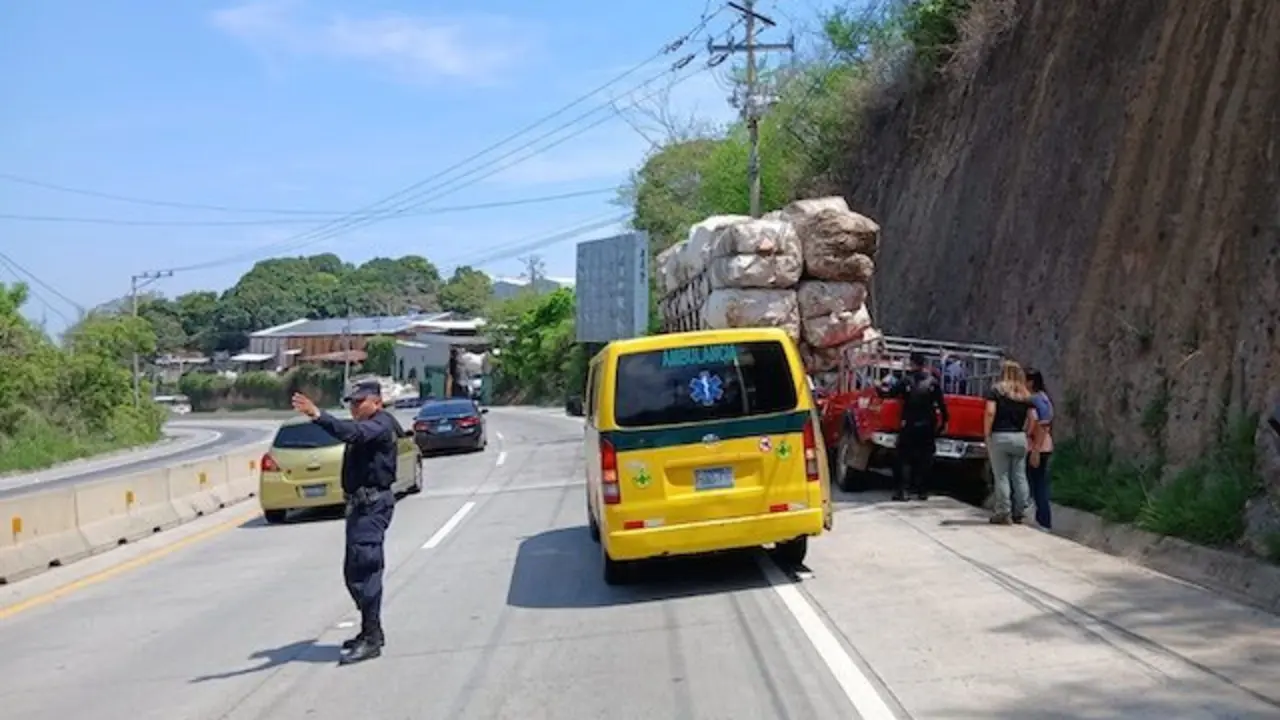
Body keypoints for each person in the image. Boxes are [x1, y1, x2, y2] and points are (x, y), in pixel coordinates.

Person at [291, 380, 406, 665]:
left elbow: (352, 433)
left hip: (373, 506)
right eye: (351, 403)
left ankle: (372, 637)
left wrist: (318, 415)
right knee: (353, 571)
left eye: (359, 402)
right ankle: (370, 629)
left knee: (365, 569)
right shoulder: (367, 425)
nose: (353, 407)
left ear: (377, 402)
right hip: (360, 506)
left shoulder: (379, 425)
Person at [879, 352, 949, 501]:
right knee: (925, 459)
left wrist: (878, 388)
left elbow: (890, 394)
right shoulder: (933, 382)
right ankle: (922, 491)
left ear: (912, 363)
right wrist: (944, 423)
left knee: (904, 458)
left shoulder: (906, 380)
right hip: (928, 425)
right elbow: (942, 405)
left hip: (909, 424)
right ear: (924, 364)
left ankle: (903, 491)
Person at [984, 360, 1036, 524]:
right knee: (1020, 475)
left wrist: (987, 433)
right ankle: (1022, 510)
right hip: (1019, 437)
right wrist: (1027, 433)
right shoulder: (1025, 394)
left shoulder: (996, 391)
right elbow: (1033, 418)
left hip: (1000, 436)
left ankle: (1003, 511)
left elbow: (990, 412)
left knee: (1002, 475)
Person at [1025, 368, 1055, 529]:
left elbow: (1040, 426)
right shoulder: (1044, 398)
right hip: (1044, 446)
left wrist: (1035, 450)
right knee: (1039, 483)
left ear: (1030, 382)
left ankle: (1041, 520)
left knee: (1036, 484)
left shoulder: (1035, 400)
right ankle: (1043, 519)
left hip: (1037, 446)